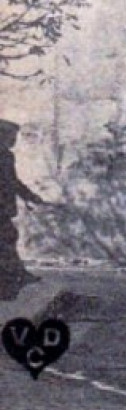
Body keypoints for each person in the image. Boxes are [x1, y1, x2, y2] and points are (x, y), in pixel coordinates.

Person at [0, 119, 48, 301]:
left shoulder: (6, 156)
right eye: (9, 136)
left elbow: (13, 182)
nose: (13, 140)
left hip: (3, 209)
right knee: (7, 239)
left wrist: (30, 197)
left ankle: (15, 279)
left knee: (8, 239)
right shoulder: (4, 156)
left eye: (14, 136)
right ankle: (13, 280)